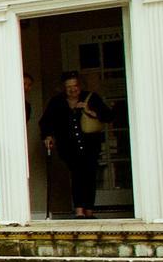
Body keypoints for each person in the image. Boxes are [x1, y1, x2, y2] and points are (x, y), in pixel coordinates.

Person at [40, 72, 112, 218]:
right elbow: (45, 121)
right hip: (69, 146)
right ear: (64, 88)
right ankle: (79, 211)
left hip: (90, 145)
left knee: (90, 175)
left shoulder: (91, 98)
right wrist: (48, 136)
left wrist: (89, 110)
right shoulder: (57, 102)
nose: (73, 89)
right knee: (77, 175)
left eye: (75, 85)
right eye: (69, 87)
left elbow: (108, 116)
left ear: (80, 85)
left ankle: (89, 211)